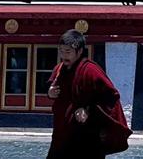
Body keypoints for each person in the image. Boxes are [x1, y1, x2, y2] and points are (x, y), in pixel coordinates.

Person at [46, 30, 132, 159]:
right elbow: (53, 89)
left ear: (79, 51)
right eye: (61, 51)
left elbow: (110, 96)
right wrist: (50, 93)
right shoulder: (59, 69)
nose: (64, 56)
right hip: (62, 134)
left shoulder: (90, 70)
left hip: (86, 136)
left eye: (68, 52)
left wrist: (87, 109)